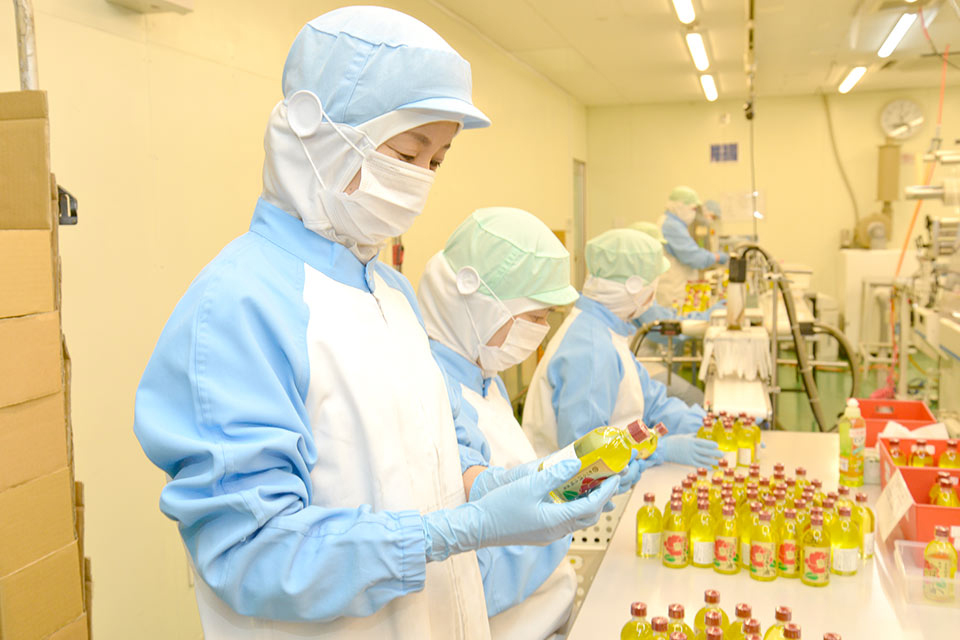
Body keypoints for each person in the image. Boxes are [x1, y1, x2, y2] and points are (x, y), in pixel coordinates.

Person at [132, 8, 617, 639]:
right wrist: (453, 531)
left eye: (436, 161)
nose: (419, 180)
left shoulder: (390, 292)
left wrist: (519, 487)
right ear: (316, 133)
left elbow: (445, 455)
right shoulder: (239, 304)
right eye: (407, 152)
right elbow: (251, 550)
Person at [419, 206, 648, 640]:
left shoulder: (485, 378)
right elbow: (470, 579)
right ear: (483, 306)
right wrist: (556, 528)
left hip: (546, 609)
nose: (543, 330)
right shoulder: (436, 393)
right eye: (537, 316)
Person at [521, 228, 721, 469]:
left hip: (616, 474)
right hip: (577, 486)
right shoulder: (591, 348)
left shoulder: (607, 329)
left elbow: (651, 400)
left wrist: (710, 425)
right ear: (635, 287)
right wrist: (658, 450)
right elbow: (587, 456)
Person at [629, 221, 723, 406]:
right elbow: (662, 329)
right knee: (696, 399)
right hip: (642, 366)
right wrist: (707, 316)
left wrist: (699, 315)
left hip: (640, 361)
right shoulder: (635, 287)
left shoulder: (639, 282)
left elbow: (661, 315)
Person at [657, 186, 729, 307]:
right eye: (693, 209)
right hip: (673, 293)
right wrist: (718, 257)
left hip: (676, 290)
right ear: (679, 206)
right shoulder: (671, 225)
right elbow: (695, 258)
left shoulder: (674, 224)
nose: (694, 214)